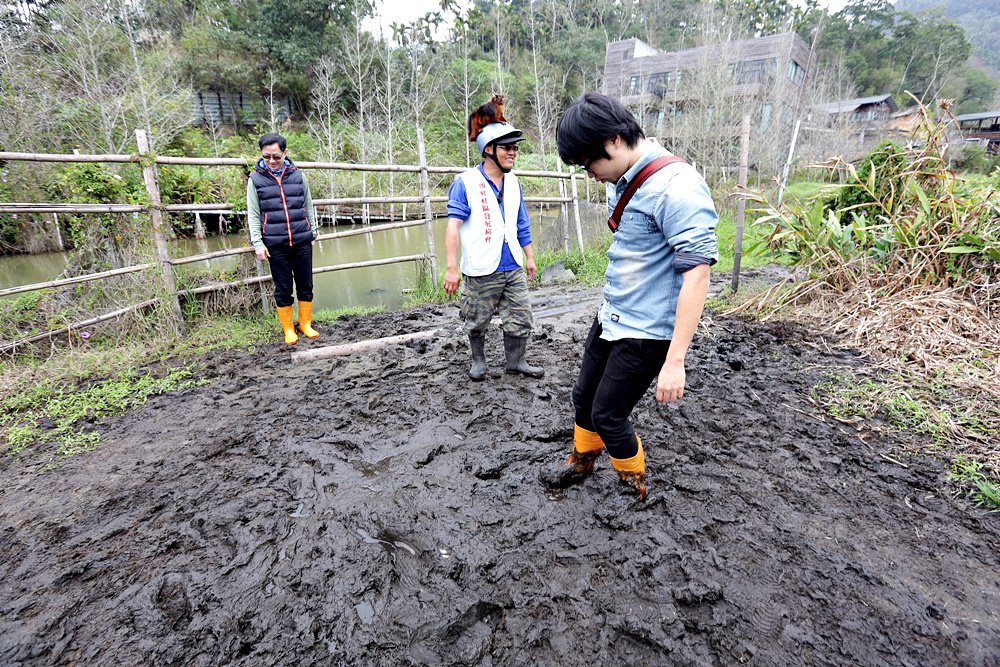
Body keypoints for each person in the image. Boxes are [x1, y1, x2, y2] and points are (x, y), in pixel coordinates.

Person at [543, 92, 719, 502]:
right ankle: (582, 460)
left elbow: (697, 275)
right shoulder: (621, 178)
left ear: (615, 141)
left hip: (647, 331)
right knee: (584, 397)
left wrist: (674, 362)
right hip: (613, 315)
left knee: (608, 413)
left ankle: (633, 484)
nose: (589, 173)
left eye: (590, 163)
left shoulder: (678, 188)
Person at [443, 95, 543, 381]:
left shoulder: (514, 182)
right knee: (476, 319)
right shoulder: (465, 183)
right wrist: (452, 268)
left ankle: (516, 361)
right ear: (489, 150)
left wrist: (530, 256)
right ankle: (478, 361)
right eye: (507, 148)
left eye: (515, 148)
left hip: (511, 264)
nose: (513, 153)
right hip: (480, 265)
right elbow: (453, 227)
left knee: (520, 317)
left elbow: (521, 221)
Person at [247, 133, 320, 345]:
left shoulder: (298, 176)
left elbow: (308, 205)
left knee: (306, 284)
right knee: (283, 287)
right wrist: (258, 243)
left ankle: (305, 323)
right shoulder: (256, 180)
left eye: (276, 156)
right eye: (266, 156)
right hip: (275, 244)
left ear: (285, 153)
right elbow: (253, 213)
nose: (271, 161)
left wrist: (312, 231)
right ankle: (288, 328)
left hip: (301, 239)